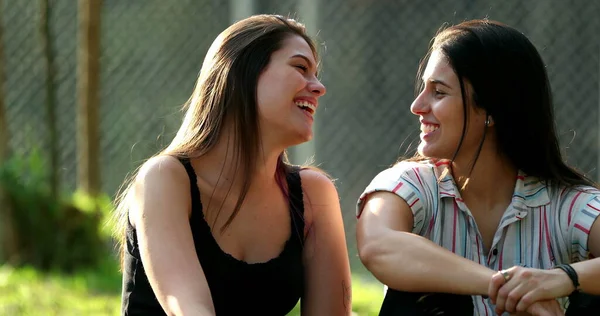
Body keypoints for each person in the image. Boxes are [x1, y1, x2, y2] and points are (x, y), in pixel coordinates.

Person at [111, 14, 352, 316]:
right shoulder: (165, 179)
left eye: (315, 74)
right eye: (300, 67)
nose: (318, 87)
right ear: (243, 71)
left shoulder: (314, 195)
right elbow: (189, 310)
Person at [356, 19, 600, 315]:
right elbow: (378, 245)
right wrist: (508, 286)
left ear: (492, 109)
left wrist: (562, 279)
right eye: (424, 88)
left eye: (439, 92)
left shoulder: (567, 205)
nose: (417, 105)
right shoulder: (412, 185)